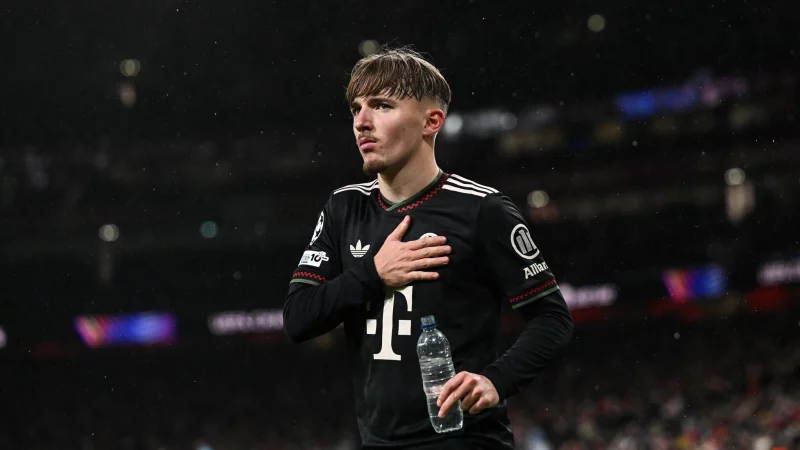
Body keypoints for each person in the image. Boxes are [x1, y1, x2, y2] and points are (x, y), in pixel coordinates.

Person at [283, 46, 574, 449]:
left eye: (381, 106)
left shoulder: (481, 209)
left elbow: (552, 317)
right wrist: (372, 273)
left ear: (431, 121)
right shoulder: (343, 207)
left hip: (465, 441)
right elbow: (299, 318)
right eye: (356, 108)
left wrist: (497, 379)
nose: (361, 122)